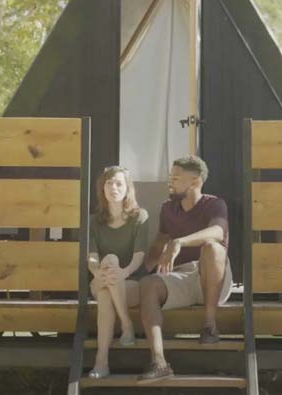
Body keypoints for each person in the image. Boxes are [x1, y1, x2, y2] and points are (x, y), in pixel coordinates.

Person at [136, 155, 232, 382]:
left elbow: (218, 232)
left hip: (214, 277)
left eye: (176, 178)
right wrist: (140, 273)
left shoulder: (215, 204)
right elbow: (159, 244)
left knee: (212, 248)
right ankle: (159, 361)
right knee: (148, 284)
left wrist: (179, 241)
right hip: (183, 277)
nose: (170, 182)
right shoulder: (168, 209)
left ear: (195, 181)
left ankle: (209, 326)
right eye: (171, 177)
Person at [86, 165, 150, 379]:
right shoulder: (94, 221)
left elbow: (139, 256)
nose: (113, 187)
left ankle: (101, 361)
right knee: (108, 261)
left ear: (127, 188)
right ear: (102, 188)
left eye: (119, 183)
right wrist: (97, 271)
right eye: (109, 183)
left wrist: (123, 272)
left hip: (131, 281)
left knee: (105, 294)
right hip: (100, 277)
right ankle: (126, 324)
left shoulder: (140, 216)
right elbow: (92, 257)